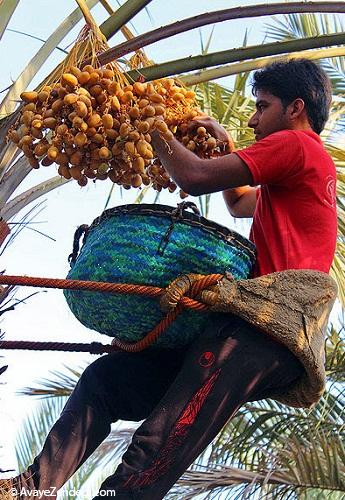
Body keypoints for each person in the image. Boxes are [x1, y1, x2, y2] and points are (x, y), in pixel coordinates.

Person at [3, 59, 337, 499]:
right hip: (249, 333)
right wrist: (224, 148)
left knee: (166, 437)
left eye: (262, 106)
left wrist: (151, 120)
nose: (254, 119)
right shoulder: (301, 171)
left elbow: (192, 177)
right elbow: (239, 204)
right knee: (107, 381)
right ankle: (32, 489)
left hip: (263, 330)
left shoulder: (296, 144)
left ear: (296, 108)